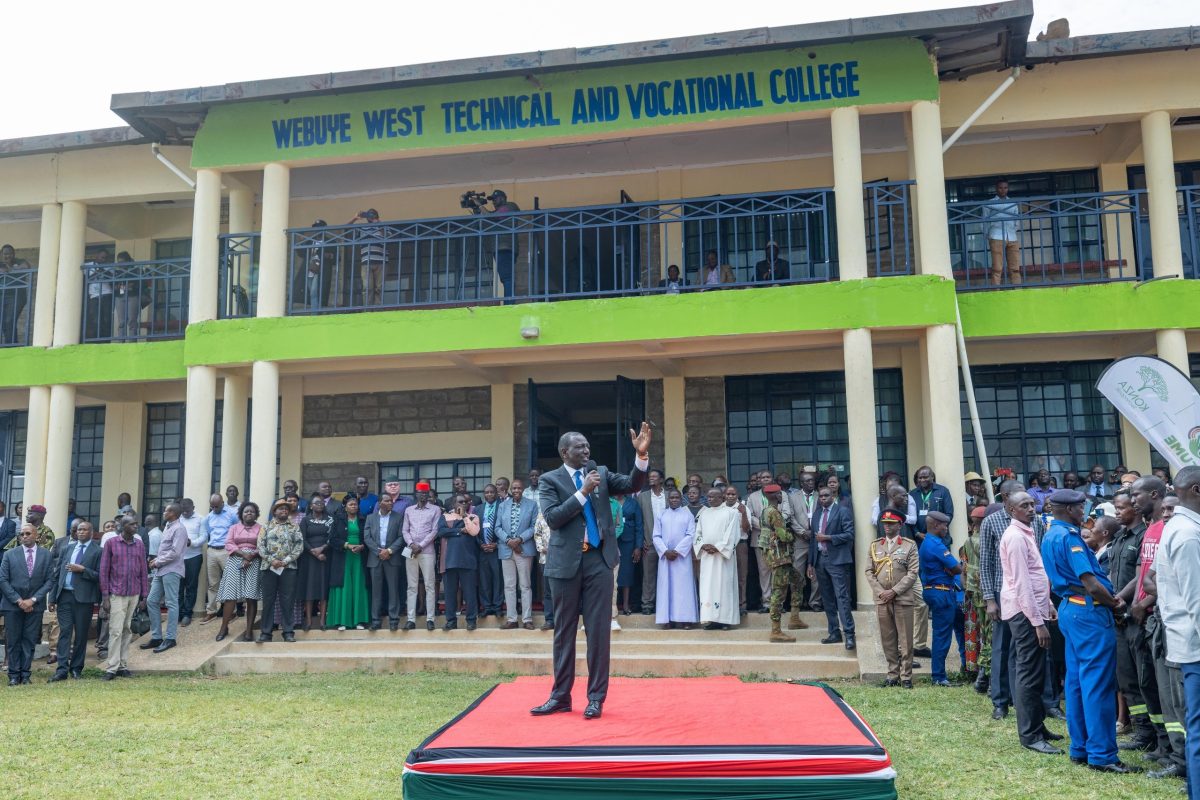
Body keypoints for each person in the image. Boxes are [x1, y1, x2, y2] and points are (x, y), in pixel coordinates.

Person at [531, 424, 650, 721]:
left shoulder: (601, 473)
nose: (586, 451)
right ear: (564, 452)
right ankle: (559, 697)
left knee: (599, 633)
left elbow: (633, 485)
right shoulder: (549, 480)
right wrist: (583, 493)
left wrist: (642, 455)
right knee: (564, 632)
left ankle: (595, 699)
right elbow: (554, 518)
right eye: (579, 447)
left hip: (599, 560)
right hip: (564, 565)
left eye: (587, 446)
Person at [1041, 488, 1134, 773]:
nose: (1085, 513)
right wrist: (1115, 604)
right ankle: (1102, 755)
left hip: (1071, 607)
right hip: (1089, 610)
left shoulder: (1049, 535)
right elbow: (1092, 583)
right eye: (1082, 508)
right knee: (1098, 685)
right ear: (1070, 510)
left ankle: (1080, 747)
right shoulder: (1071, 539)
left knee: (1077, 682)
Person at [1144, 468, 1200, 793]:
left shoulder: (1178, 527)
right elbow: (1197, 603)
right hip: (1194, 649)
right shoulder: (1188, 535)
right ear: (1196, 489)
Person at [999, 492, 1063, 754]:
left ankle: (1038, 725)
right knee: (1028, 673)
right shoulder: (1014, 537)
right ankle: (1030, 735)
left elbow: (1037, 577)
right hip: (1025, 613)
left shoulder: (1027, 532)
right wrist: (1038, 622)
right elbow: (1022, 583)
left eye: (1031, 504)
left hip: (1035, 609)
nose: (1030, 508)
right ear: (1010, 509)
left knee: (1038, 670)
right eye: (1023, 505)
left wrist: (1047, 605)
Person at [866, 509, 920, 687]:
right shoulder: (875, 545)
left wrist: (894, 591)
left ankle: (906, 676)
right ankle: (892, 675)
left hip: (902, 598)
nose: (887, 527)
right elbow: (869, 571)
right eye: (885, 524)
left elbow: (912, 573)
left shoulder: (909, 545)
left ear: (900, 525)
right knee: (887, 638)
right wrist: (880, 591)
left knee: (905, 638)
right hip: (882, 598)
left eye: (891, 524)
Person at [0, 523, 54, 685]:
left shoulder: (46, 555)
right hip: (12, 605)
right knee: (13, 640)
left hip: (35, 606)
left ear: (36, 535)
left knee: (29, 641)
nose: (24, 536)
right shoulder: (10, 554)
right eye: (22, 534)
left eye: (28, 533)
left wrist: (33, 600)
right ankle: (14, 675)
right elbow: (3, 580)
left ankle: (25, 674)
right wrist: (19, 600)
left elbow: (50, 580)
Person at [47, 520, 101, 681]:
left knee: (81, 635)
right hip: (64, 596)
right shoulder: (67, 548)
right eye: (78, 530)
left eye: (84, 530)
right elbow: (57, 574)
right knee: (65, 633)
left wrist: (83, 570)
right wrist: (52, 597)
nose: (81, 532)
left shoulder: (98, 551)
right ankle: (61, 669)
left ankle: (76, 668)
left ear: (91, 532)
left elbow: (100, 576)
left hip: (84, 599)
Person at [98, 516, 148, 680]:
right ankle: (112, 667)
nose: (136, 526)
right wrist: (105, 596)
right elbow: (104, 570)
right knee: (116, 630)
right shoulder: (111, 543)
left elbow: (143, 570)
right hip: (116, 593)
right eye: (132, 524)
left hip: (134, 592)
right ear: (123, 526)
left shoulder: (139, 544)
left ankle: (123, 666)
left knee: (127, 629)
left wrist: (144, 596)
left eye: (136, 523)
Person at [808, 486, 856, 650]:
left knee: (841, 598)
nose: (823, 498)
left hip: (837, 561)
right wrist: (810, 563)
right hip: (820, 560)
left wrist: (828, 537)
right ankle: (834, 632)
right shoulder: (816, 514)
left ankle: (849, 634)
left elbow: (850, 534)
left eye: (826, 495)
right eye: (820, 496)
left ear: (833, 495)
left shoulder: (842, 511)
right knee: (827, 599)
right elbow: (813, 541)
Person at [921, 510, 964, 686]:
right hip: (941, 592)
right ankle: (938, 676)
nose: (946, 528)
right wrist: (952, 569)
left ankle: (958, 669)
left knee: (951, 630)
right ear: (935, 525)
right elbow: (957, 569)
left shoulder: (928, 542)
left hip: (936, 590)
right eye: (944, 525)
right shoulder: (936, 545)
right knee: (942, 636)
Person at [256, 499, 304, 643]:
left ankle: (288, 632)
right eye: (280, 509)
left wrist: (286, 561)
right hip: (269, 568)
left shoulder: (294, 527)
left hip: (288, 568)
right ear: (274, 512)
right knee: (268, 601)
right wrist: (272, 560)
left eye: (286, 509)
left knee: (287, 601)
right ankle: (265, 633)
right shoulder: (266, 526)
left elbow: (299, 545)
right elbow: (260, 546)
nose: (284, 511)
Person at [213, 503, 263, 643]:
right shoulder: (234, 528)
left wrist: (251, 556)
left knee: (251, 596)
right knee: (230, 596)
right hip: (235, 560)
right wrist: (242, 554)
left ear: (256, 514)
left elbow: (263, 545)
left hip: (254, 562)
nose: (249, 514)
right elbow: (228, 543)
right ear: (241, 513)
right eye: (246, 511)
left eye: (252, 512)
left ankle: (249, 631)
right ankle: (224, 628)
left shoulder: (261, 529)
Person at [141, 503, 186, 654]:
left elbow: (175, 552)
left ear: (173, 513)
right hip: (161, 570)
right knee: (151, 600)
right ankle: (157, 637)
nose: (164, 512)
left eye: (166, 510)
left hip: (172, 570)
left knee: (171, 603)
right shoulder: (168, 526)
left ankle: (170, 638)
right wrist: (157, 561)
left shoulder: (179, 528)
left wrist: (158, 561)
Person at [691, 487, 738, 630]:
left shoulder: (731, 513)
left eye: (713, 497)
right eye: (708, 497)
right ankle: (710, 619)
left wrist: (718, 547)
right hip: (707, 557)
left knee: (724, 586)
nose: (710, 499)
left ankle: (725, 620)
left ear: (721, 497)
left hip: (723, 558)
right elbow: (697, 533)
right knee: (708, 587)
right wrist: (703, 545)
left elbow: (732, 535)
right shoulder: (704, 513)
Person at [653, 489, 698, 630]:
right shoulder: (661, 515)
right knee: (666, 588)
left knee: (683, 588)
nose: (674, 500)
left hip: (681, 558)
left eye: (676, 497)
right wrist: (665, 551)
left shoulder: (687, 514)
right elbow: (656, 536)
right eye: (671, 497)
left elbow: (691, 534)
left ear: (681, 499)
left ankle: (686, 620)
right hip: (666, 558)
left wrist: (677, 551)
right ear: (668, 499)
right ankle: (667, 619)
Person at [497, 478, 538, 630]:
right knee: (509, 586)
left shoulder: (532, 505)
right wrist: (509, 541)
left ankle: (527, 619)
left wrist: (519, 539)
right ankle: (512, 619)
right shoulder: (502, 506)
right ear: (510, 489)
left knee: (525, 585)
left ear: (523, 489)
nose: (516, 491)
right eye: (514, 488)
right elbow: (497, 527)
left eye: (519, 488)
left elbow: (534, 526)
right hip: (506, 549)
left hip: (525, 549)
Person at [326, 496, 370, 631]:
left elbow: (369, 537)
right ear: (345, 506)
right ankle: (342, 621)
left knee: (358, 586)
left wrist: (362, 546)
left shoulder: (363, 519)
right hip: (342, 557)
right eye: (351, 504)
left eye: (356, 504)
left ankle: (359, 620)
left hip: (359, 557)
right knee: (344, 586)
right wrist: (347, 545)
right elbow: (332, 539)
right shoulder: (337, 520)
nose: (354, 506)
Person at [438, 494, 481, 631]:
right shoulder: (445, 517)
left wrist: (464, 517)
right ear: (453, 504)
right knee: (450, 594)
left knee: (469, 593)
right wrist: (459, 531)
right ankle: (451, 621)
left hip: (468, 560)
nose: (463, 504)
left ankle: (471, 620)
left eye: (466, 502)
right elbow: (441, 532)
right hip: (449, 559)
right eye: (460, 502)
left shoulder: (473, 517)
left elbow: (474, 532)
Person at [403, 481, 441, 631]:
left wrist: (421, 545)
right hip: (410, 550)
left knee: (429, 585)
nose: (423, 496)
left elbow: (434, 530)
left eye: (426, 493)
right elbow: (405, 530)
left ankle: (430, 619)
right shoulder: (409, 510)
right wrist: (412, 543)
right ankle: (411, 619)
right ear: (416, 494)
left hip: (427, 551)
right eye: (421, 493)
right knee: (411, 586)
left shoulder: (435, 510)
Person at [364, 493, 405, 631]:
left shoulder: (398, 517)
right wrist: (378, 551)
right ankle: (376, 620)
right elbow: (367, 537)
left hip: (392, 557)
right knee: (376, 591)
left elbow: (401, 537)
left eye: (391, 501)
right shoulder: (370, 518)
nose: (390, 503)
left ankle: (394, 619)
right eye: (387, 501)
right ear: (380, 503)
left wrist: (389, 551)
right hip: (375, 558)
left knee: (393, 589)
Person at [961, 506, 989, 688]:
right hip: (988, 594)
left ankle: (978, 673)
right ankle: (985, 674)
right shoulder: (988, 541)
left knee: (976, 634)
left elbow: (964, 568)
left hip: (972, 593)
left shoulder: (968, 541)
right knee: (989, 635)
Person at [298, 495, 334, 631]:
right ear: (311, 506)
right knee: (309, 589)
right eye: (316, 503)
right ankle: (308, 621)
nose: (320, 504)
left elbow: (332, 537)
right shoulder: (305, 520)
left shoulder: (330, 520)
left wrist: (322, 549)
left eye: (321, 503)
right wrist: (313, 552)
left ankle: (323, 621)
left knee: (323, 588)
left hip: (325, 557)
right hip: (309, 558)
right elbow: (302, 538)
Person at [636, 469, 668, 615]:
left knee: (668, 575)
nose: (651, 479)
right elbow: (639, 521)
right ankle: (647, 604)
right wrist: (642, 540)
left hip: (668, 544)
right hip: (649, 542)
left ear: (661, 479)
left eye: (654, 476)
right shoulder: (642, 497)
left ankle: (666, 603)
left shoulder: (669, 496)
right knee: (648, 576)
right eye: (649, 477)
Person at [982, 178, 1021, 286]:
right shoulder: (990, 203)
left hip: (1012, 236)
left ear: (1008, 188)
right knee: (997, 267)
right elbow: (984, 220)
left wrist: (1013, 230)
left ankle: (1017, 290)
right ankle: (996, 290)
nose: (1003, 190)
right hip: (996, 235)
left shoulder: (1013, 203)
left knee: (1015, 267)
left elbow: (1017, 220)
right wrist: (987, 235)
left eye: (1005, 188)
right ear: (996, 188)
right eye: (1000, 188)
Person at [476, 484, 504, 619]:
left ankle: (498, 607)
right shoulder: (478, 509)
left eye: (492, 492)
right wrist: (481, 544)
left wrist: (497, 544)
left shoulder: (502, 507)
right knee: (484, 580)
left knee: (498, 579)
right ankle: (487, 607)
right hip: (482, 550)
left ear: (496, 493)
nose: (489, 495)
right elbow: (473, 529)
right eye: (486, 492)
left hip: (497, 549)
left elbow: (506, 527)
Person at [615, 490, 643, 617]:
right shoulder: (608, 500)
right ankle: (613, 605)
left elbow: (639, 525)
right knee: (612, 573)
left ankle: (626, 604)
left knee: (627, 572)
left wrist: (638, 546)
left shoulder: (633, 503)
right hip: (612, 541)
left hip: (628, 543)